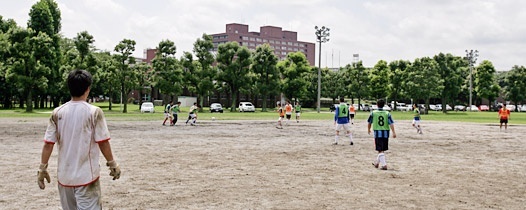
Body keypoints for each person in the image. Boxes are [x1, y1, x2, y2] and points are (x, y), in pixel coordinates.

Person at [37, 69, 121, 209]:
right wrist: (112, 163)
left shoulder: (57, 113)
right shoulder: (94, 112)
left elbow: (48, 144)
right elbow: (103, 141)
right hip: (86, 177)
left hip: (64, 178)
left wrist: (42, 168)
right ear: (88, 89)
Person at [368, 99, 397, 170]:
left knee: (380, 150)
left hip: (378, 133)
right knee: (381, 149)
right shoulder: (387, 113)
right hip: (386, 133)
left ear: (377, 105)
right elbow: (391, 123)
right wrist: (393, 132)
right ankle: (377, 163)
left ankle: (384, 165)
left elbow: (369, 122)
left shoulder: (373, 113)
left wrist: (368, 129)